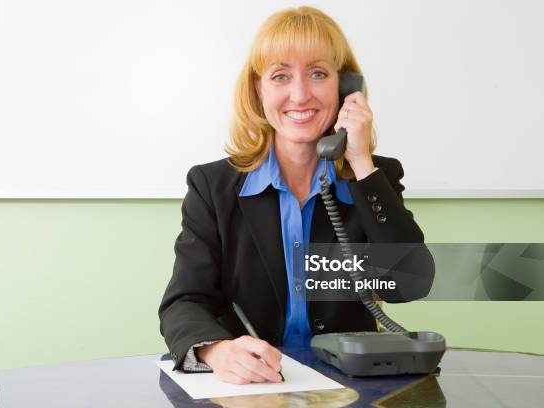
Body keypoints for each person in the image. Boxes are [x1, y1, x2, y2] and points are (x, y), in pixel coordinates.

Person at [158, 6, 434, 385]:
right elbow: (184, 301)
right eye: (280, 76)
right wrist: (216, 350)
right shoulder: (213, 187)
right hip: (254, 388)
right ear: (258, 89)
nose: (300, 94)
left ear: (347, 88)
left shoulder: (375, 178)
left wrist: (361, 162)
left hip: (349, 386)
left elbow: (410, 284)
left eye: (318, 73)